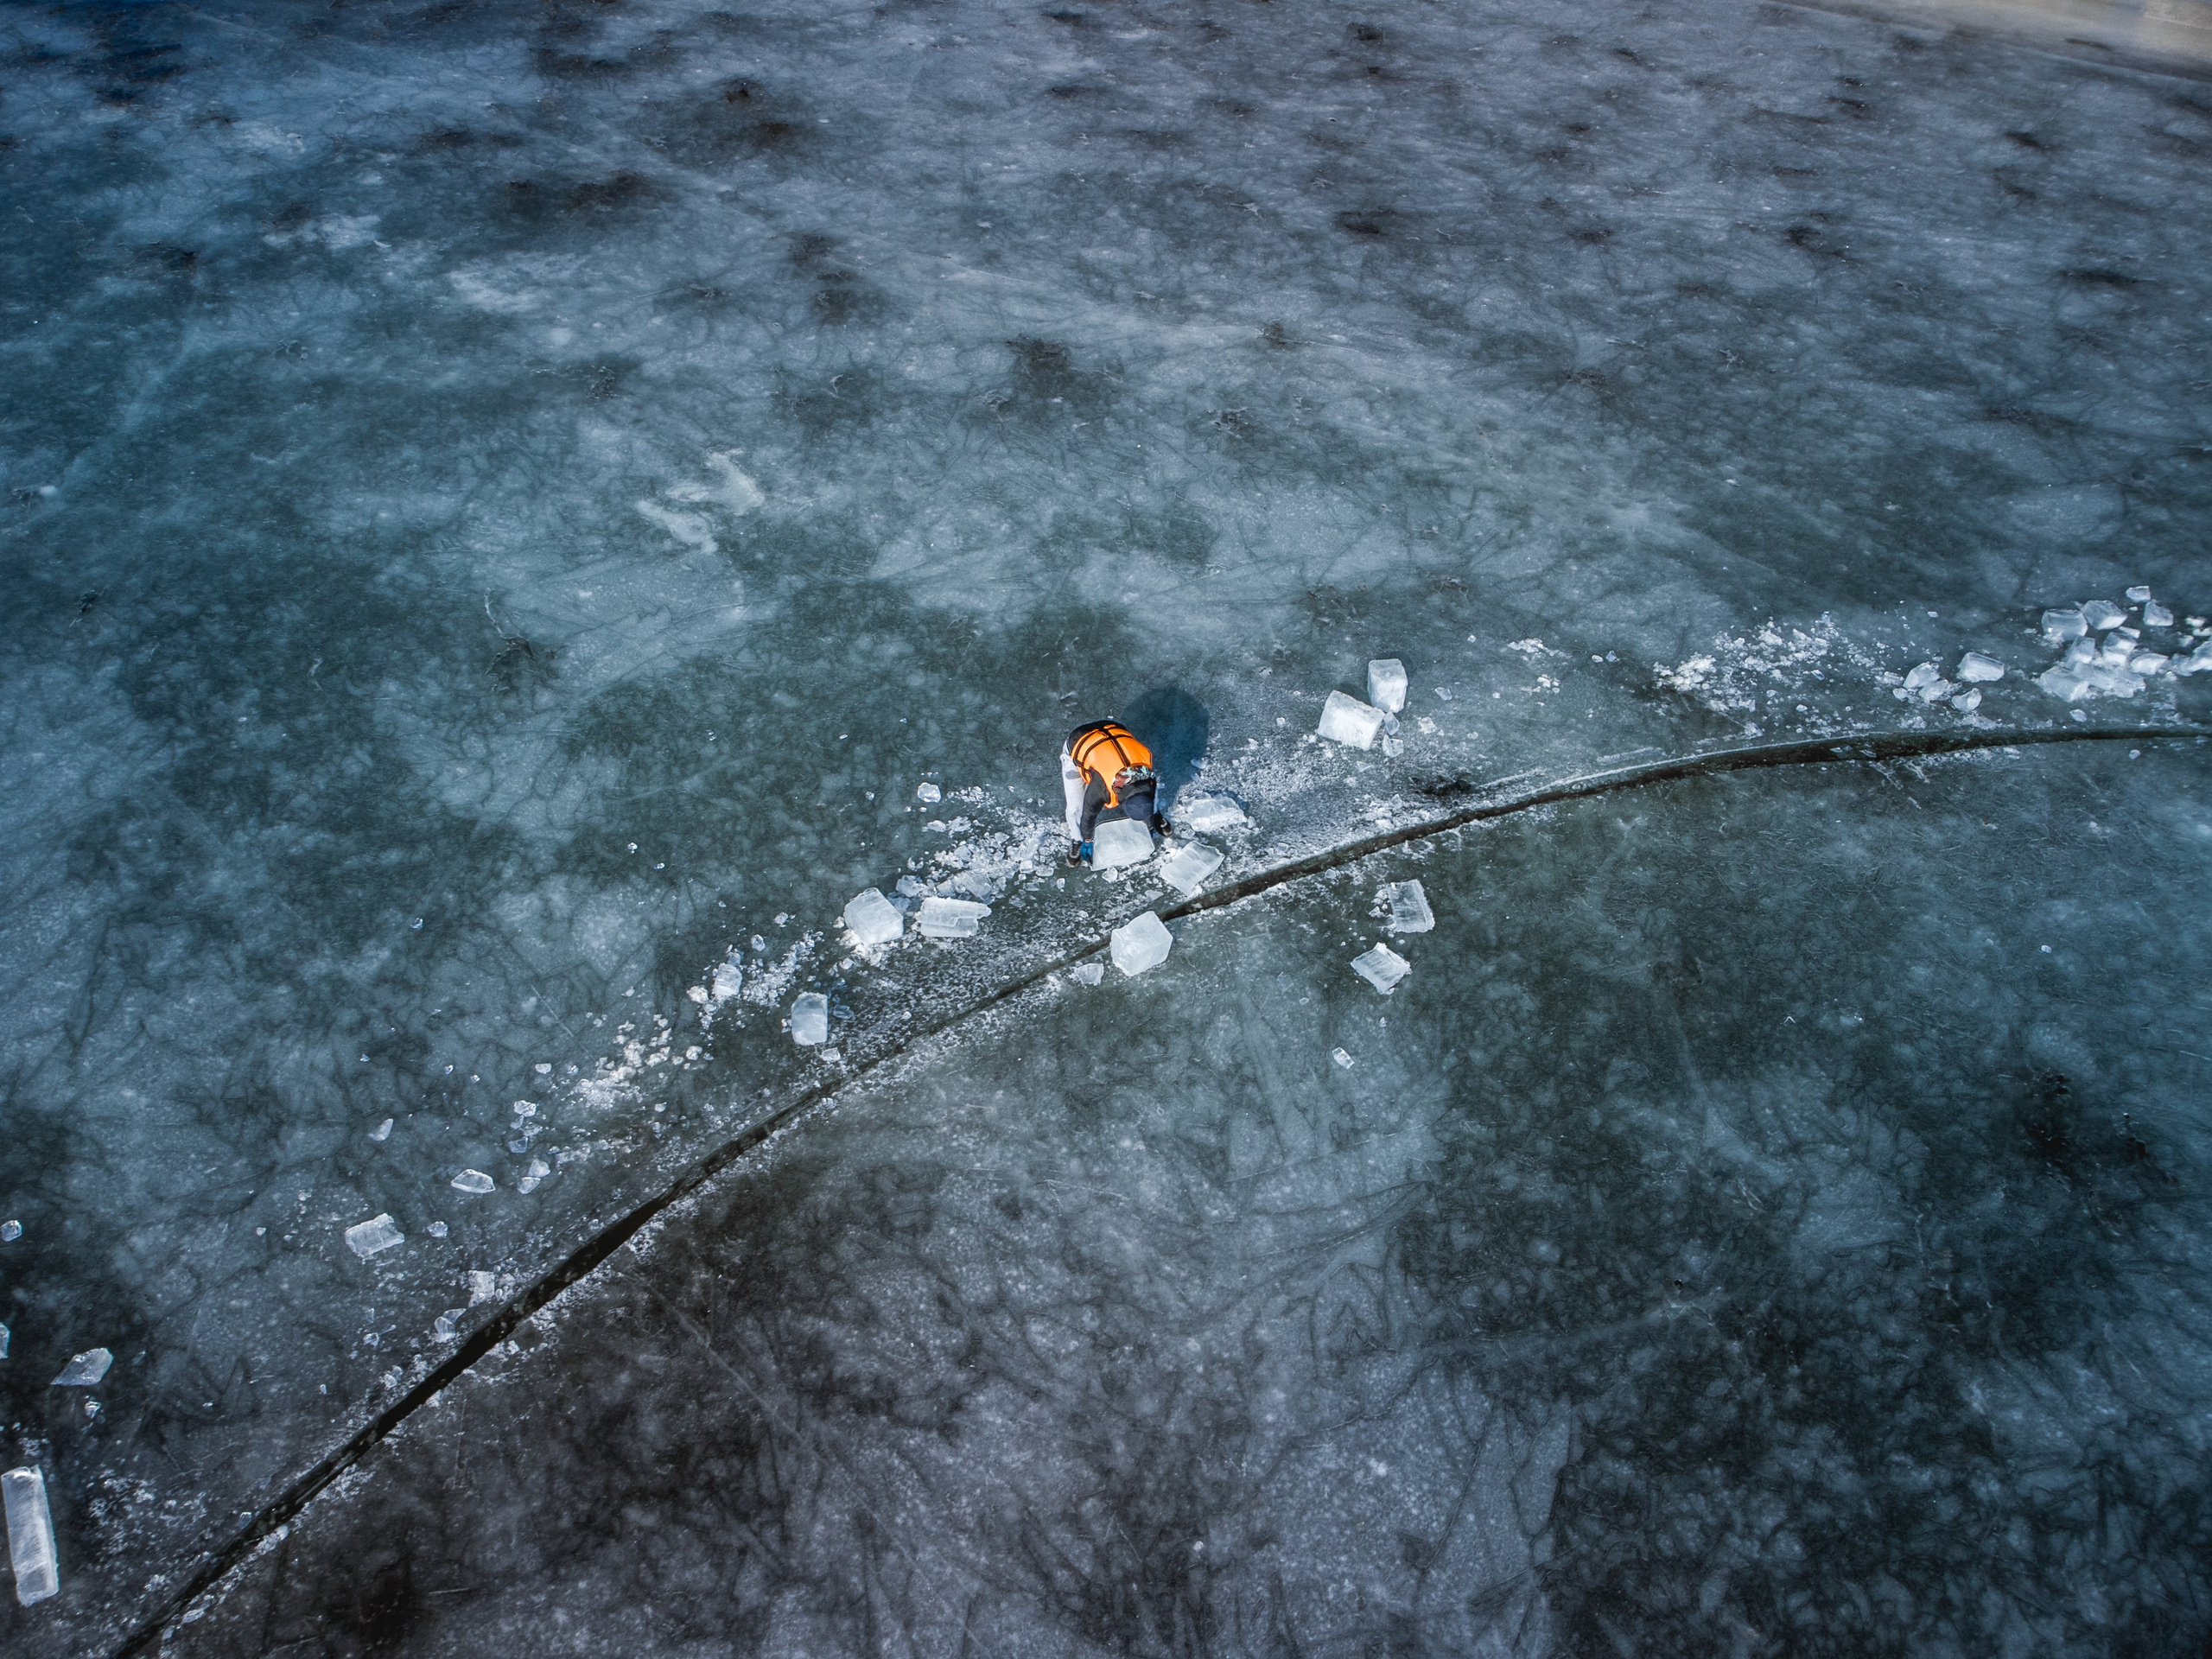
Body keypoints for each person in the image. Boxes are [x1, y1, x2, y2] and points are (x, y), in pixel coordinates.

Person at [1060, 718, 1173, 866]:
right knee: (1075, 808)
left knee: (1152, 796)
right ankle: (1077, 840)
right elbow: (1088, 815)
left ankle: (1156, 813)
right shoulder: (1102, 789)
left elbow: (1148, 795)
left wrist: (1149, 825)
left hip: (1115, 729)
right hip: (1078, 741)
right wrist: (1087, 839)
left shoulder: (1148, 776)